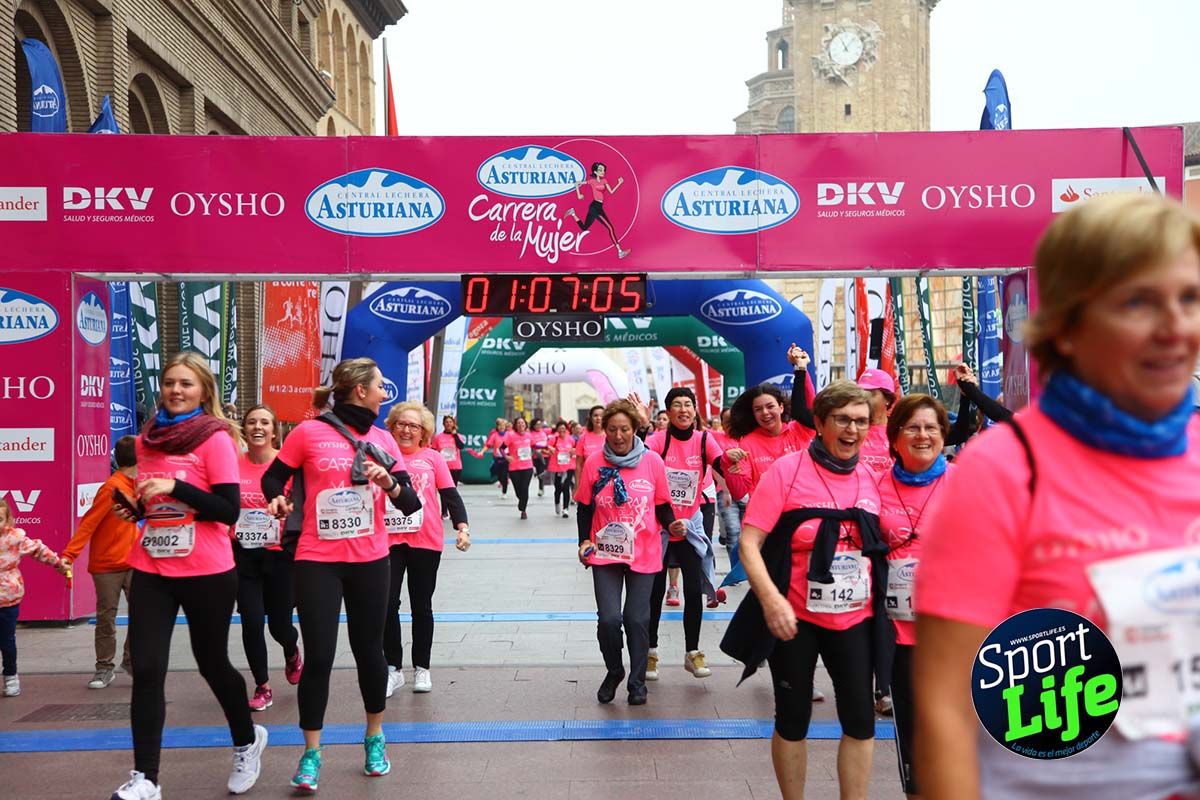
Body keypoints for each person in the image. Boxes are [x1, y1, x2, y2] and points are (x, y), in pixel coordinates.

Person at [915, 193, 1200, 799]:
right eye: (1138, 302)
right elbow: (944, 710)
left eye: (1190, 298)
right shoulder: (1004, 469)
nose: (1176, 326)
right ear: (1068, 327)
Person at [109, 352, 266, 800]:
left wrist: (176, 486)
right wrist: (138, 509)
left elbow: (228, 510)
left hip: (207, 568)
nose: (176, 390)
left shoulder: (215, 439)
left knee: (211, 662)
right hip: (152, 564)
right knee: (149, 667)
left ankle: (246, 739)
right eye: (170, 382)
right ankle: (147, 779)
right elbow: (155, 504)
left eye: (186, 384)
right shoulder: (147, 440)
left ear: (204, 392)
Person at [722, 380, 888, 800]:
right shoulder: (787, 470)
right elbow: (749, 542)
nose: (852, 430)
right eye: (842, 420)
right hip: (794, 615)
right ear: (819, 423)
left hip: (855, 616)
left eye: (861, 421)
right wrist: (771, 599)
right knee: (793, 718)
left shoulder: (871, 477)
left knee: (860, 720)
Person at [261, 357, 421, 792]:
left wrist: (388, 482)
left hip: (371, 559)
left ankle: (374, 738)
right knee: (321, 656)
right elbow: (273, 478)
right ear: (359, 390)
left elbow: (411, 504)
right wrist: (277, 500)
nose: (384, 393)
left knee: (370, 651)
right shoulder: (309, 432)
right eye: (379, 386)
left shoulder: (382, 437)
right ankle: (311, 753)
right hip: (317, 559)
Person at [576, 398, 684, 705]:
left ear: (635, 429)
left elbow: (662, 504)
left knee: (637, 619)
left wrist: (673, 524)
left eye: (624, 429)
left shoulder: (652, 462)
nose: (619, 436)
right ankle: (614, 671)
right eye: (612, 429)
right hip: (606, 551)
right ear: (604, 430)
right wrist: (583, 540)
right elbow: (584, 507)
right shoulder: (596, 462)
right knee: (609, 619)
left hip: (645, 550)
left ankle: (637, 682)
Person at [877, 394, 954, 800]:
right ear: (895, 437)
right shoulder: (874, 486)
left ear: (943, 435)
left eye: (931, 427)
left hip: (954, 629)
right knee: (911, 728)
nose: (923, 435)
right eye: (913, 427)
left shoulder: (967, 482)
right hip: (899, 630)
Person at [383, 402, 470, 696]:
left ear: (424, 432)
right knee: (386, 605)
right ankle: (393, 669)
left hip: (425, 540)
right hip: (388, 541)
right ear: (392, 427)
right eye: (401, 424)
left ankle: (422, 668)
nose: (406, 430)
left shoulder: (432, 458)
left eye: (413, 426)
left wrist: (462, 527)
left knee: (421, 606)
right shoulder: (382, 458)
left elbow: (450, 495)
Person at [643, 387, 729, 681]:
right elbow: (643, 473)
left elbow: (721, 463)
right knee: (654, 594)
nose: (683, 409)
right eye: (677, 405)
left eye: (688, 404)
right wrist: (668, 522)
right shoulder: (656, 440)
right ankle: (650, 653)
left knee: (693, 591)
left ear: (695, 410)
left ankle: (692, 652)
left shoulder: (705, 439)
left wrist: (734, 460)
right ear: (667, 412)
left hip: (690, 525)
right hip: (659, 528)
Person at [233, 405, 303, 712]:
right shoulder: (232, 465)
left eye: (264, 422)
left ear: (274, 430)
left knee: (279, 625)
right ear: (244, 430)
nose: (257, 427)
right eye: (251, 422)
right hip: (243, 554)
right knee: (250, 621)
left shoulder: (285, 467)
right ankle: (262, 686)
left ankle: (291, 649)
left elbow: (302, 505)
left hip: (280, 556)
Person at [61, 434, 140, 690]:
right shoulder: (112, 488)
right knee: (107, 618)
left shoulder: (139, 484)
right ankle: (104, 668)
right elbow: (89, 523)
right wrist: (69, 555)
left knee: (144, 614)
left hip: (134, 561)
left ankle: (131, 660)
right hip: (107, 565)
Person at [0, 497, 69, 698]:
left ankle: (11, 676)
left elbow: (39, 550)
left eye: (0, 519)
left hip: (8, 599)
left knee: (7, 641)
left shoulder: (15, 538)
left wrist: (59, 564)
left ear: (8, 521)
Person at [564, 161, 631, 259]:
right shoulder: (592, 181)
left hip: (598, 206)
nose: (602, 172)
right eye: (600, 170)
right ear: (595, 171)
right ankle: (620, 251)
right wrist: (579, 194)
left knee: (584, 228)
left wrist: (619, 183)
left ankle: (573, 213)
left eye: (603, 170)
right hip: (595, 207)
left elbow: (611, 191)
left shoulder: (604, 181)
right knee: (610, 228)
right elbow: (577, 183)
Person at [504, 417, 537, 520]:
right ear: (515, 425)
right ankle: (521, 501)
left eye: (522, 423)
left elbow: (535, 446)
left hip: (527, 466)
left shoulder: (529, 435)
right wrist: (506, 456)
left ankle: (523, 510)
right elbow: (501, 448)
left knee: (524, 488)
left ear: (525, 425)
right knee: (518, 491)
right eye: (518, 423)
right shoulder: (511, 436)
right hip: (514, 467)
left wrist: (547, 448)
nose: (521, 425)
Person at [545, 420, 577, 517]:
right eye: (560, 428)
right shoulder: (553, 439)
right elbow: (546, 448)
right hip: (557, 467)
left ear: (566, 429)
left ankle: (565, 509)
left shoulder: (571, 439)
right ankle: (557, 503)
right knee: (558, 488)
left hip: (569, 466)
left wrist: (573, 451)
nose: (562, 430)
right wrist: (550, 450)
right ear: (557, 430)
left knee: (566, 487)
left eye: (564, 428)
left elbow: (576, 449)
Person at [574, 405, 606, 487]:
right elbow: (578, 465)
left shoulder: (611, 436)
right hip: (588, 481)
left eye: (601, 416)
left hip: (607, 481)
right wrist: (577, 485)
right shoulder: (583, 437)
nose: (598, 418)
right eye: (595, 415)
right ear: (591, 418)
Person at [431, 416, 467, 486]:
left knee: (453, 488)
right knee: (443, 488)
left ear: (453, 424)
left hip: (455, 467)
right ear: (443, 424)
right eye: (446, 422)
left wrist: (455, 435)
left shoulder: (458, 436)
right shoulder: (438, 437)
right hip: (442, 467)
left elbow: (461, 446)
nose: (448, 424)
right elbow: (433, 452)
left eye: (450, 422)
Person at [481, 418, 510, 496]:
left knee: (504, 475)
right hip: (497, 458)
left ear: (505, 426)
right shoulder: (494, 435)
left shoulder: (508, 434)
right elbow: (488, 445)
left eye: (503, 425)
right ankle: (501, 481)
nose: (501, 427)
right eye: (500, 425)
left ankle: (504, 492)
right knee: (498, 474)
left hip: (506, 457)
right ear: (497, 427)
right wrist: (482, 452)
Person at [531, 418, 550, 497]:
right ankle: (541, 488)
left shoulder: (544, 432)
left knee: (544, 472)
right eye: (537, 425)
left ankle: (542, 486)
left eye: (540, 424)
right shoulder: (531, 434)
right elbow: (532, 445)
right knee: (540, 473)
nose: (539, 426)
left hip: (546, 455)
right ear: (533, 426)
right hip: (537, 456)